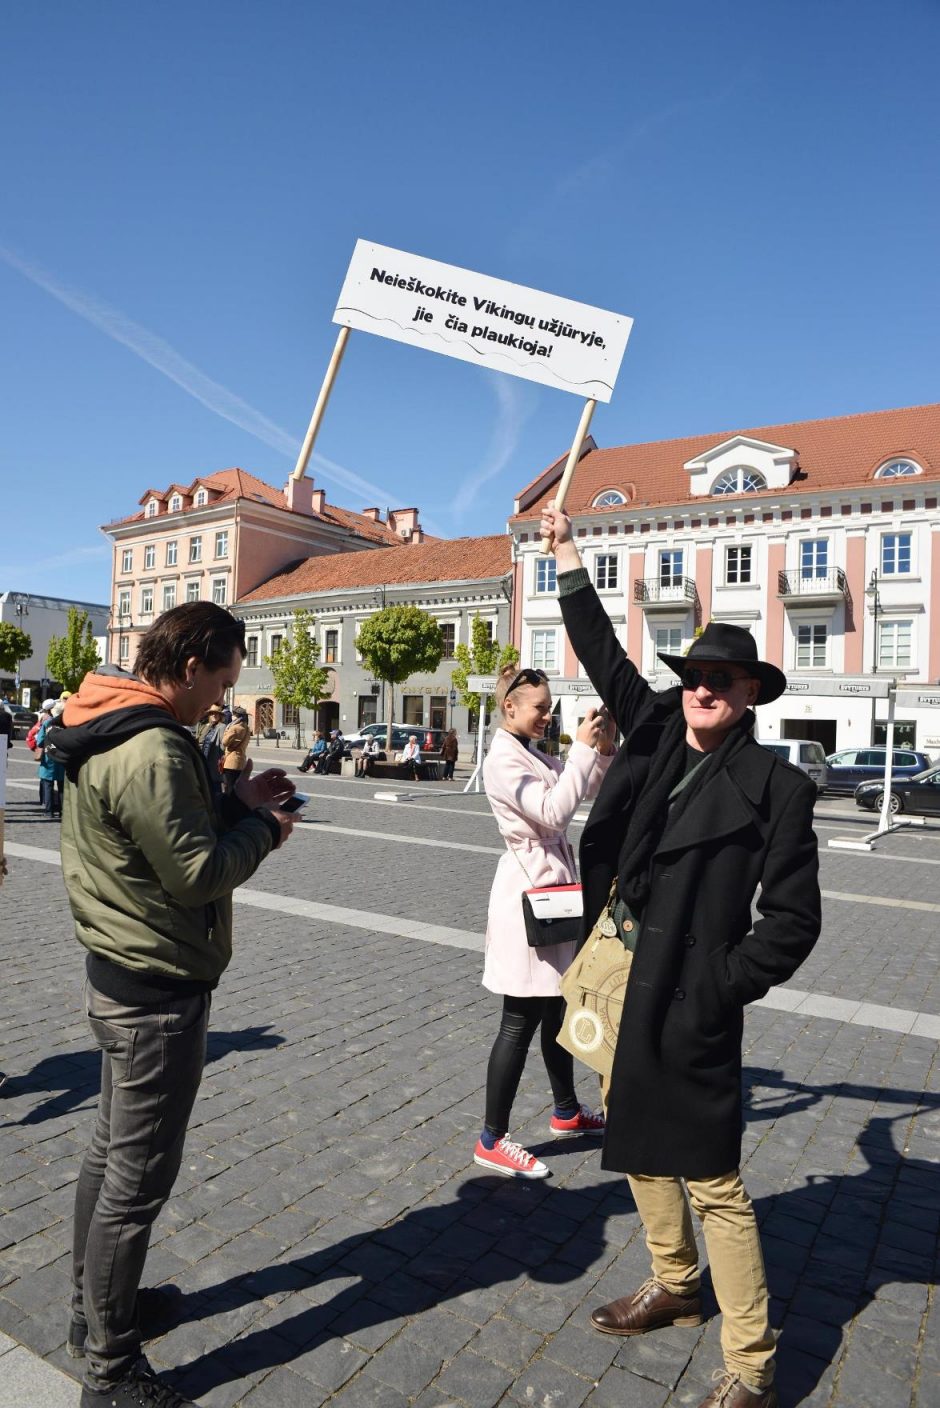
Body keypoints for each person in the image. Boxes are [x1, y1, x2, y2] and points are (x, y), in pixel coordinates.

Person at [541, 503, 821, 1408]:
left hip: (689, 984)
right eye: (695, 673)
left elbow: (792, 921)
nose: (702, 688)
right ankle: (676, 1282)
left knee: (715, 1179)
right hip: (619, 958)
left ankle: (751, 1365)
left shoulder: (777, 788)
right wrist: (570, 558)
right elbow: (601, 655)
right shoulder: (658, 727)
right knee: (631, 1133)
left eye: (721, 678)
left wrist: (717, 989)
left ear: (749, 694)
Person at [48, 602, 296, 1408]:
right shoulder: (152, 742)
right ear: (190, 665)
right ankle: (111, 1372)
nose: (222, 701)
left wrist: (230, 793)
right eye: (221, 682)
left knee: (108, 1153)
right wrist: (264, 827)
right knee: (135, 1180)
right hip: (155, 987)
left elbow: (161, 834)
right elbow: (194, 873)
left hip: (122, 969)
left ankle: (97, 1311)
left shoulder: (114, 718)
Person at [473, 663, 615, 1179]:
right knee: (520, 1019)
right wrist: (579, 749)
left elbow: (581, 791)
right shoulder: (503, 760)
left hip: (556, 892)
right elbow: (554, 814)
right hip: (526, 897)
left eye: (550, 706)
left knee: (557, 1009)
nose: (547, 714)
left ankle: (565, 1111)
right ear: (510, 707)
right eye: (540, 707)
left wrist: (600, 748)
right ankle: (492, 1137)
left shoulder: (533, 752)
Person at [37, 699, 66, 818]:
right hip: (62, 756)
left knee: (48, 784)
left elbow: (39, 741)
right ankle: (62, 811)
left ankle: (49, 811)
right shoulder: (66, 723)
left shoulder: (47, 723)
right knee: (62, 786)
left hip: (49, 756)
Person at [220, 705, 250, 795]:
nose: (232, 716)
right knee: (236, 787)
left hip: (231, 762)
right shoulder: (246, 727)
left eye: (233, 715)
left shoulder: (235, 728)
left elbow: (224, 742)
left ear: (237, 716)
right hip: (241, 760)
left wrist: (226, 732)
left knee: (229, 787)